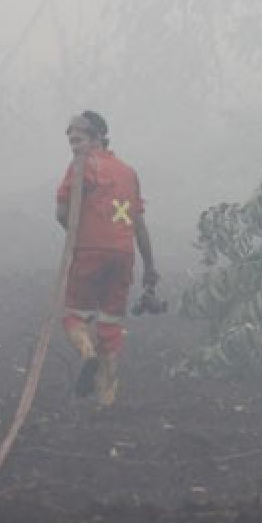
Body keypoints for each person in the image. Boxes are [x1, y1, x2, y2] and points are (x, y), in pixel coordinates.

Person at [55, 111, 158, 407]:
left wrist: (80, 237)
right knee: (111, 326)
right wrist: (149, 267)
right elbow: (138, 223)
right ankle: (107, 400)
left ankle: (88, 357)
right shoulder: (128, 172)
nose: (74, 145)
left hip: (89, 252)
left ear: (98, 138)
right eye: (71, 140)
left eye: (79, 138)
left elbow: (62, 214)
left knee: (74, 316)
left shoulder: (82, 166)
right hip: (123, 256)